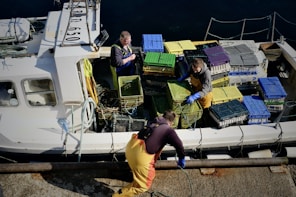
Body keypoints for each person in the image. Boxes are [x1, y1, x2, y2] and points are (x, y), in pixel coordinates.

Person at [112, 110, 186, 197]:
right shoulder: (168, 131)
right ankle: (118, 195)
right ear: (172, 122)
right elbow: (179, 145)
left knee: (150, 162)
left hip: (130, 149)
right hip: (139, 158)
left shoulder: (153, 121)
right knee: (144, 186)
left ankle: (137, 172)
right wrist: (182, 158)